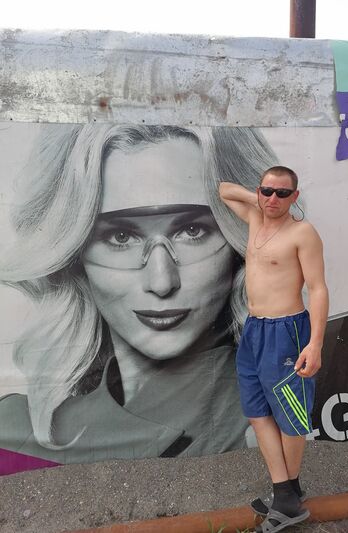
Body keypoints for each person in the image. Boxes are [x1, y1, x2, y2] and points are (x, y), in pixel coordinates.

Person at [0, 124, 279, 472]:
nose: (162, 282)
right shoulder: (17, 433)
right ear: (73, 254)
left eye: (193, 230)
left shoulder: (288, 407)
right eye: (120, 237)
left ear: (243, 242)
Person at [219, 166, 329, 532]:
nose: (273, 198)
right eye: (268, 191)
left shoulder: (302, 232)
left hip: (288, 331)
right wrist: (261, 202)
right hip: (255, 329)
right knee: (256, 410)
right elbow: (224, 190)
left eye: (283, 194)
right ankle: (287, 492)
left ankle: (286, 498)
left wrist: (315, 343)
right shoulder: (255, 218)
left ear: (295, 197)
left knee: (290, 415)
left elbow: (317, 289)